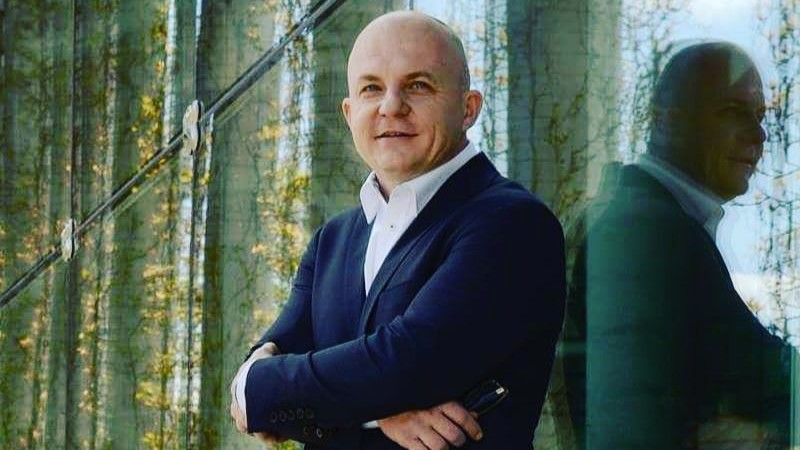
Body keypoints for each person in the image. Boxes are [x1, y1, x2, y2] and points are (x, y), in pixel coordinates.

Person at [228, 11, 566, 450]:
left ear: (468, 109)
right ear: (349, 113)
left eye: (418, 85)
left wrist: (270, 391)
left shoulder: (512, 224)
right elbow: (264, 381)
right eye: (371, 88)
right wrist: (378, 409)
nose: (391, 106)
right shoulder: (332, 240)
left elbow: (408, 362)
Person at [564, 42, 793, 449]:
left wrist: (762, 430)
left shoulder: (642, 216)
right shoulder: (653, 232)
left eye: (759, 116)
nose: (758, 135)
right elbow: (769, 376)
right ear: (668, 120)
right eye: (732, 112)